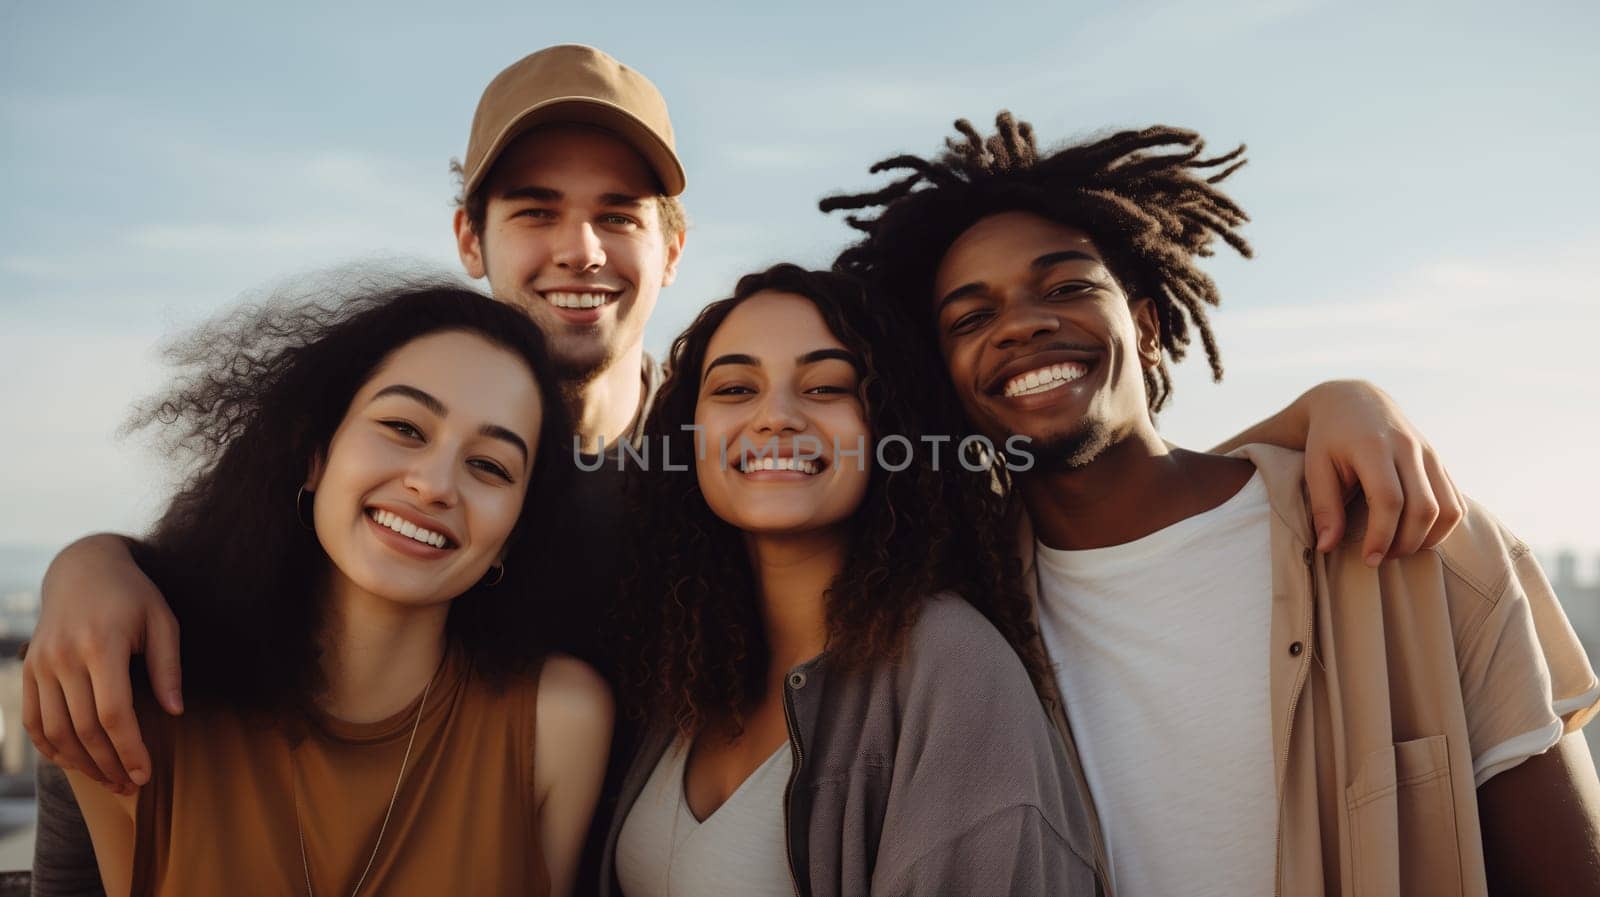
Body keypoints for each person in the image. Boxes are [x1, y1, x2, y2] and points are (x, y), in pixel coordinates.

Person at [26, 45, 1470, 892]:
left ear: (674, 247)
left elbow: (1052, 446)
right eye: (534, 211)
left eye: (621, 212)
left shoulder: (719, 495)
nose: (579, 249)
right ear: (473, 238)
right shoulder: (376, 493)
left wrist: (1320, 411)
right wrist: (97, 563)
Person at [822, 113, 1600, 896]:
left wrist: (1334, 400)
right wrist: (1322, 403)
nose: (1023, 322)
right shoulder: (969, 624)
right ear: (949, 382)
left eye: (1066, 286)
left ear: (1149, 328)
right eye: (972, 317)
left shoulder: (1416, 535)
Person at [58, 280, 612, 896]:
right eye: (404, 427)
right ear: (315, 456)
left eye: (489, 466)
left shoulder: (558, 723)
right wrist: (86, 560)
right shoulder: (143, 705)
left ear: (512, 534)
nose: (434, 485)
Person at [604, 263, 1095, 896]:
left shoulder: (953, 669)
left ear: (887, 430)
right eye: (733, 390)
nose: (775, 417)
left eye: (826, 387)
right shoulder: (688, 656)